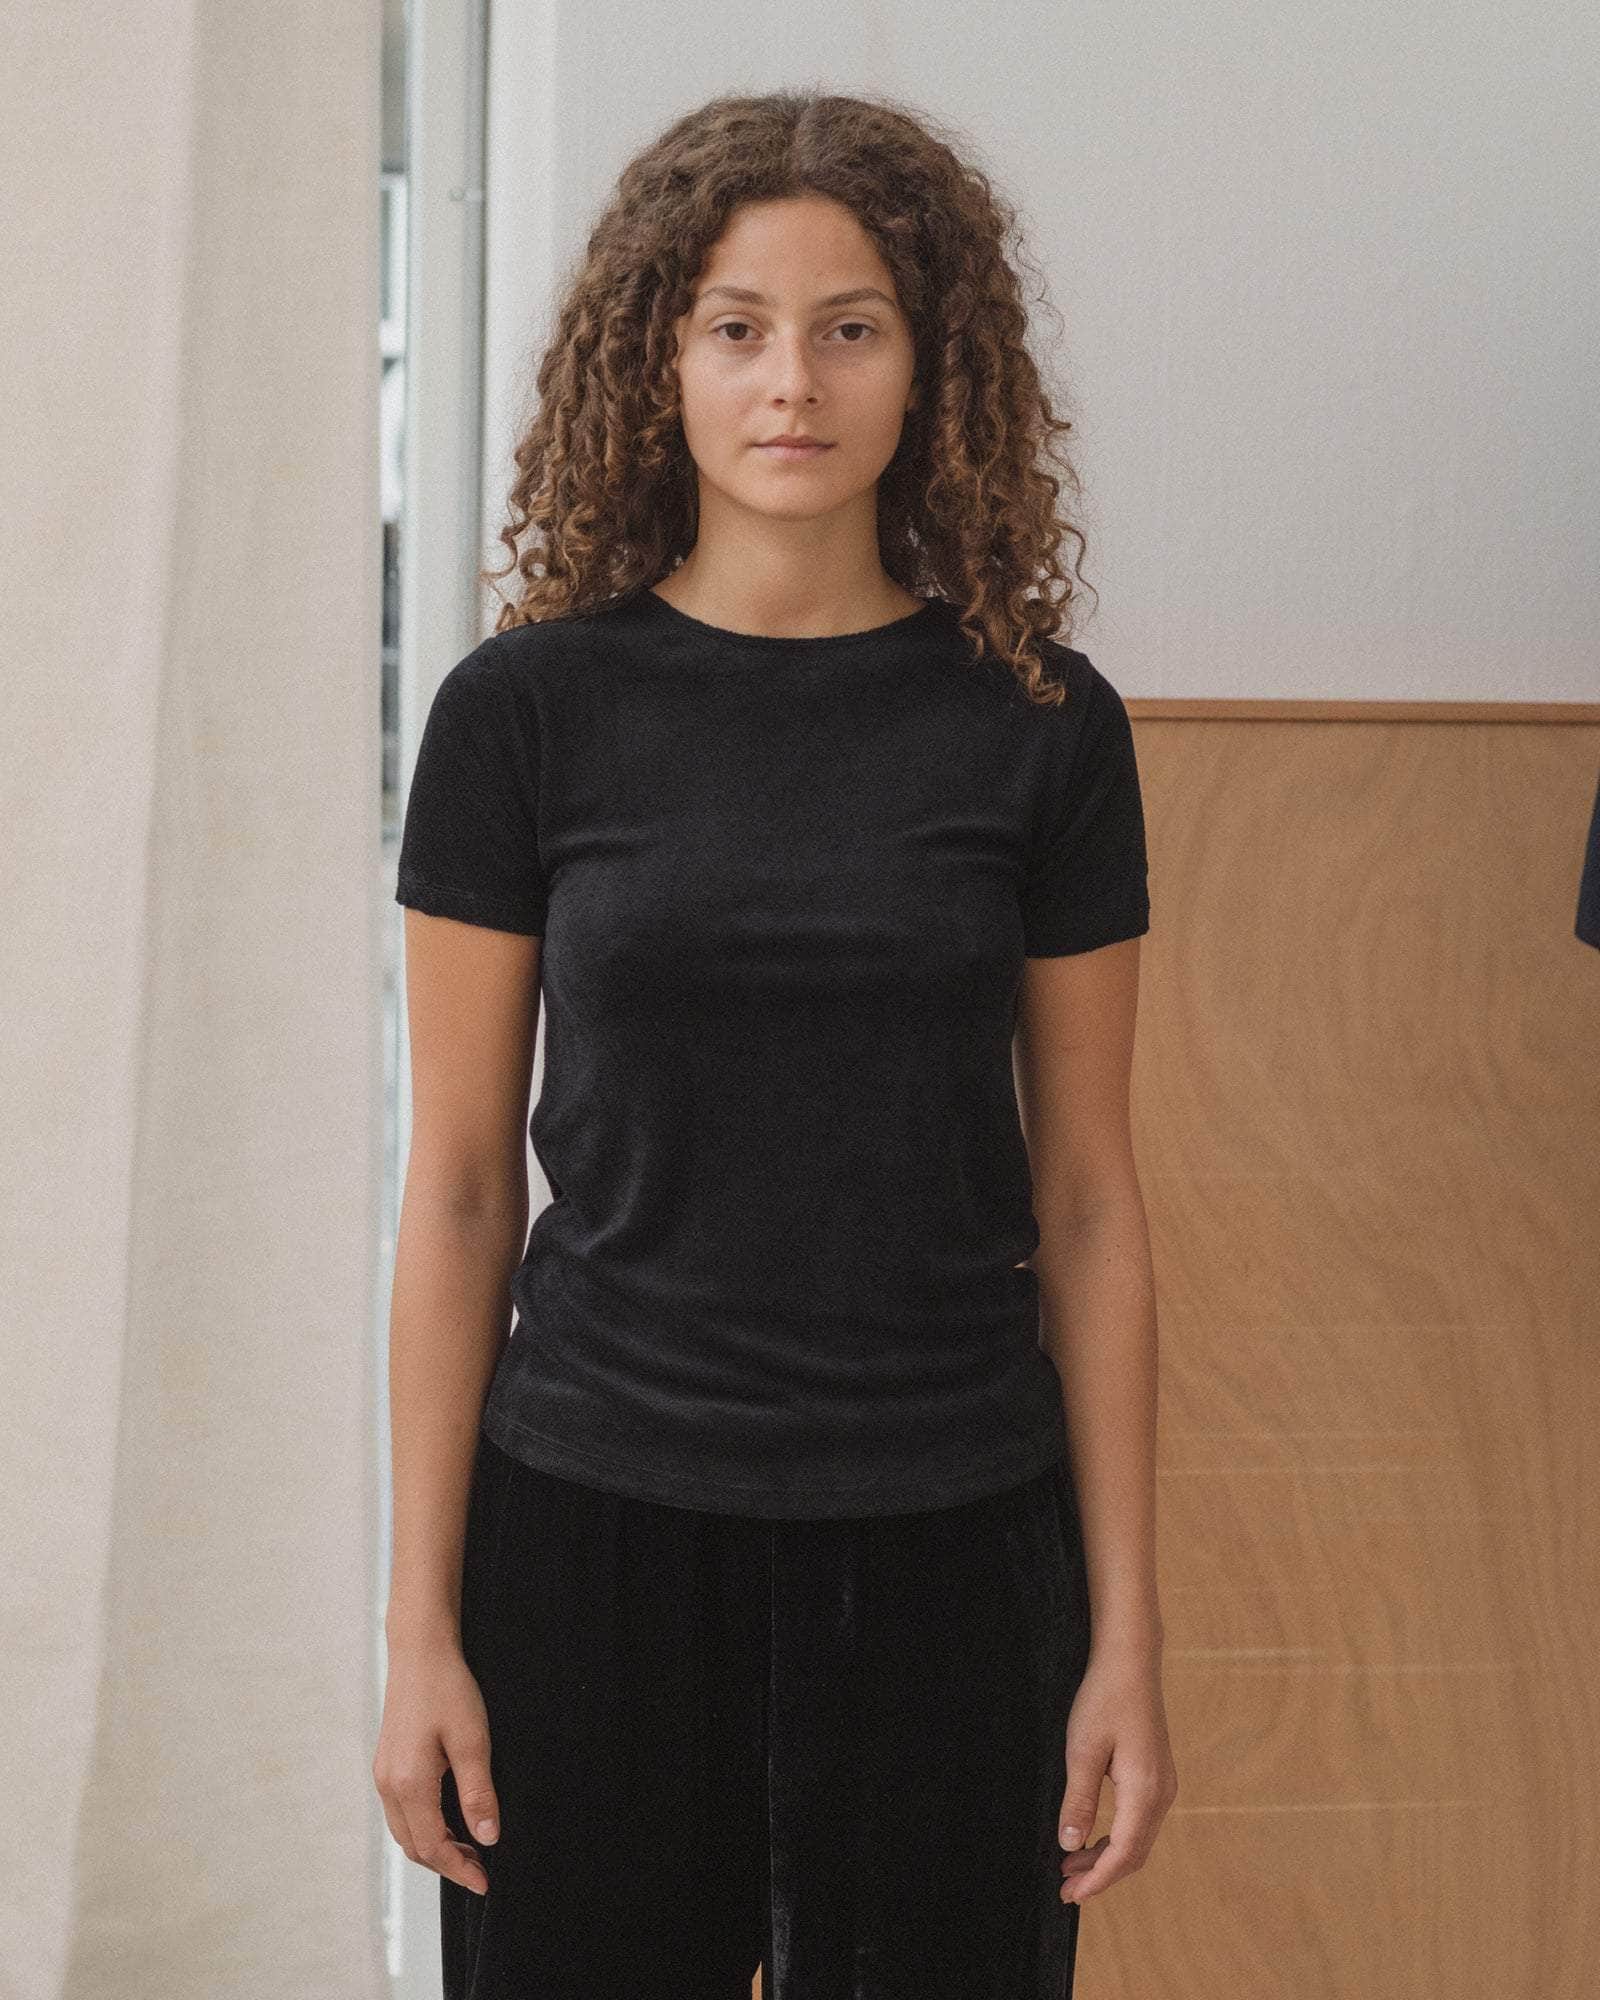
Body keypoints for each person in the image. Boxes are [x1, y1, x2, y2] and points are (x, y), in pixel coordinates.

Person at [374, 86, 1178, 1999]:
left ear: (932, 365)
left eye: (851, 327)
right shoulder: (521, 716)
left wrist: (1129, 1638)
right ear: (659, 360)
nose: (791, 382)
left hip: (959, 1555)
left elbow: (1088, 1204)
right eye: (736, 327)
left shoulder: (1046, 728)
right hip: (588, 1546)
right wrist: (418, 1629)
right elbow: (464, 1191)